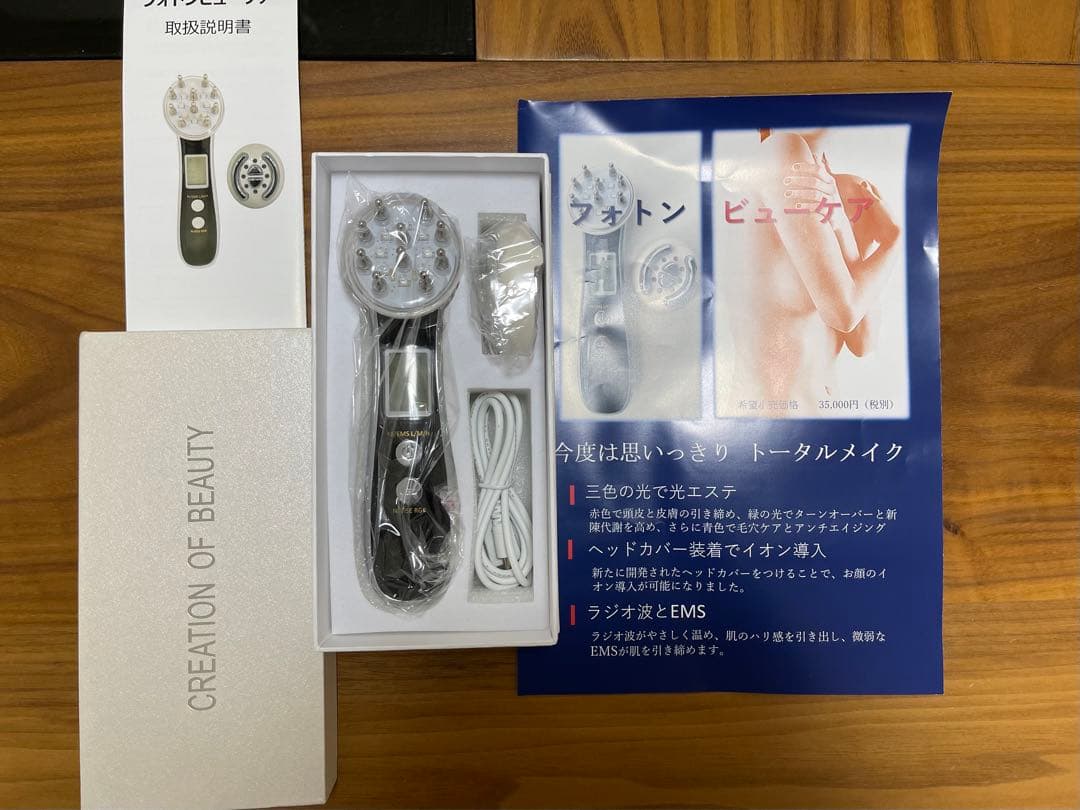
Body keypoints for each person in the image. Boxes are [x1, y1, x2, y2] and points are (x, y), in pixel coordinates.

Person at [723, 128, 902, 415]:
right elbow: (844, 315)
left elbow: (863, 341)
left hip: (826, 420)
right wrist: (894, 240)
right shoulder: (781, 151)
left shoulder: (843, 188)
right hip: (773, 426)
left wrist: (840, 222)